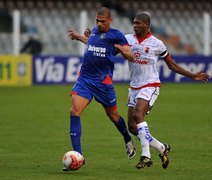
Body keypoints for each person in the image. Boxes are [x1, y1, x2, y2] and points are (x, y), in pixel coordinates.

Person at [115, 13, 210, 169]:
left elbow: (171, 65)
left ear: (146, 25)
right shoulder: (127, 40)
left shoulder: (157, 44)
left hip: (150, 85)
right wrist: (89, 38)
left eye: (138, 23)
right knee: (132, 127)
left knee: (138, 115)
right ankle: (161, 148)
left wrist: (193, 75)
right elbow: (108, 49)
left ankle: (146, 156)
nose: (135, 25)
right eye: (134, 23)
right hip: (134, 86)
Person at [64, 7, 136, 171]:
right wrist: (80, 37)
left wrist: (124, 51)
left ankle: (127, 139)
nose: (99, 23)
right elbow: (92, 44)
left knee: (114, 116)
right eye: (97, 20)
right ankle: (78, 156)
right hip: (85, 80)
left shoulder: (117, 35)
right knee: (74, 112)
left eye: (102, 21)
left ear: (110, 20)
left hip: (103, 84)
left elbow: (130, 55)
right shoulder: (95, 31)